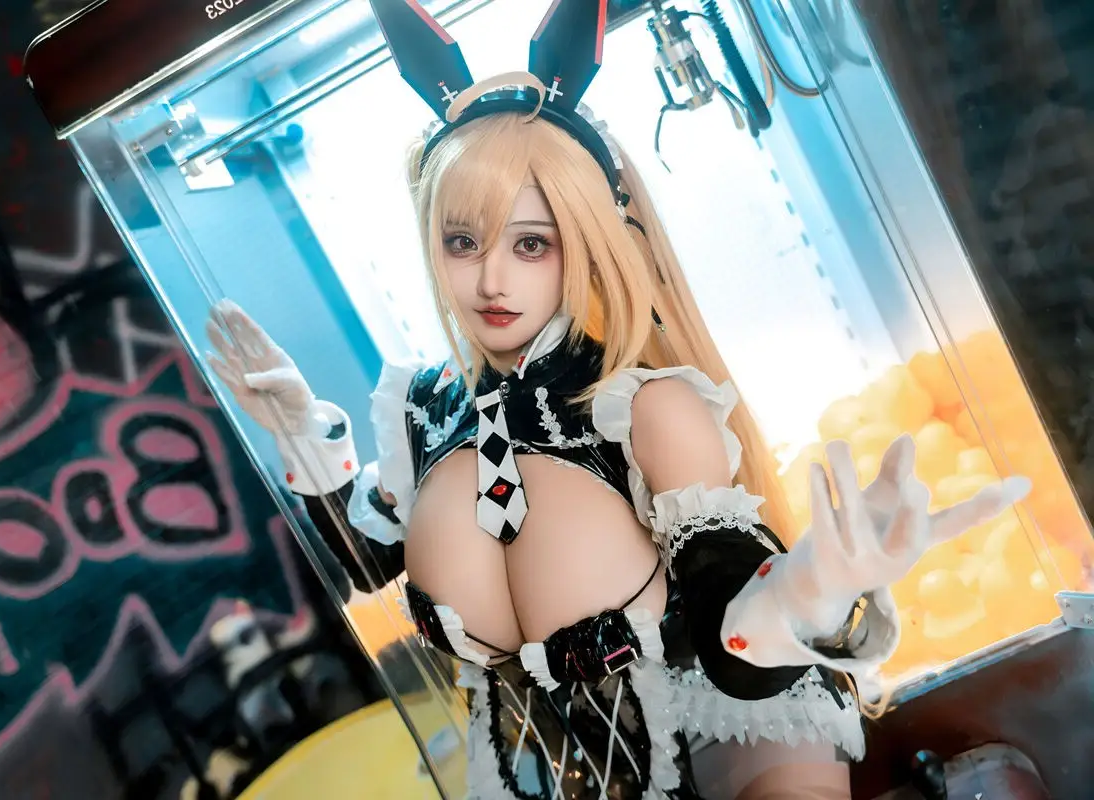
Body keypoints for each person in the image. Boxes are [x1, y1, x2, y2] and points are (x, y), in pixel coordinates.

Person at [204, 1, 1029, 796]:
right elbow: (366, 565)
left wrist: (803, 599)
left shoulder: (644, 409)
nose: (490, 280)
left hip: (730, 744)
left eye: (531, 244)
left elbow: (726, 619)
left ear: (585, 240)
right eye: (462, 242)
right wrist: (302, 434)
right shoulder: (427, 412)